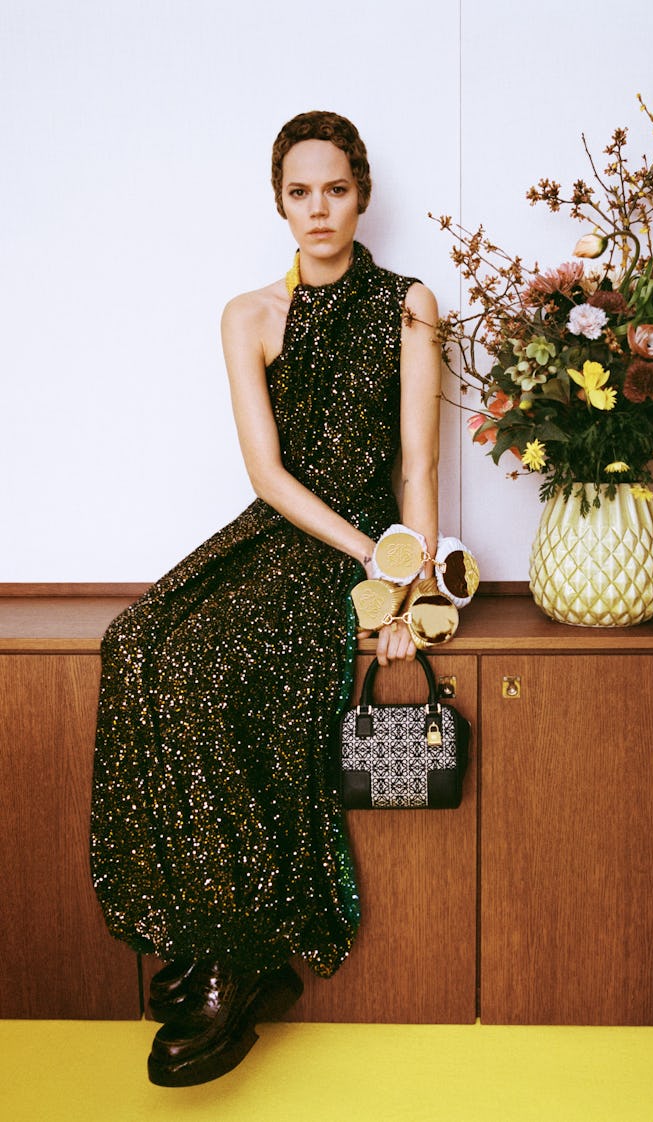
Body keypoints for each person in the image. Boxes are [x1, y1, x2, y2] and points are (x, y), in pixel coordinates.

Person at [89, 110, 441, 1087]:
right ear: (279, 201)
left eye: (335, 189)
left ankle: (238, 958)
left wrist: (398, 587)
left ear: (361, 194)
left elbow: (415, 464)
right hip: (284, 528)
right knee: (136, 645)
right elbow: (269, 473)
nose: (318, 209)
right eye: (299, 192)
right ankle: (205, 938)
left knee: (214, 666)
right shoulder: (248, 314)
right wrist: (363, 543)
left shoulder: (410, 305)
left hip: (363, 547)